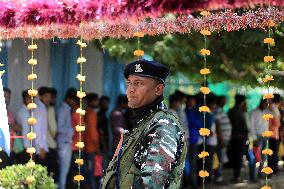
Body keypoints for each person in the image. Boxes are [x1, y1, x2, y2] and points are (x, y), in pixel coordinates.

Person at [102, 59, 187, 188]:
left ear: (158, 89)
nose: (130, 89)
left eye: (138, 83)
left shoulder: (163, 125)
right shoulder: (144, 122)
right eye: (129, 83)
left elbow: (151, 184)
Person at [228, 94, 255, 183]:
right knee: (241, 156)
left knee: (235, 156)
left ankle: (236, 175)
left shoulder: (230, 111)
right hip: (241, 137)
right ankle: (239, 176)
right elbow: (246, 127)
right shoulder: (240, 112)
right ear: (242, 102)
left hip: (232, 137)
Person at [57, 88, 77, 189]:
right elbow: (59, 128)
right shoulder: (63, 110)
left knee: (64, 170)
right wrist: (72, 130)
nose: (74, 103)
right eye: (74, 100)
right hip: (63, 143)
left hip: (66, 142)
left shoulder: (67, 109)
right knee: (63, 171)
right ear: (69, 99)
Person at [84, 93, 101, 189]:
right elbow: (93, 132)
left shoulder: (84, 112)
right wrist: (97, 147)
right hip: (91, 147)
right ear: (92, 102)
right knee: (93, 172)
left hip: (84, 146)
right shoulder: (92, 113)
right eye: (96, 101)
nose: (97, 103)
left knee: (88, 171)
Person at [215, 95, 232, 183]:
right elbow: (218, 126)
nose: (224, 102)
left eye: (225, 100)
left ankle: (219, 176)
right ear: (218, 101)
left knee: (221, 158)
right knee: (220, 158)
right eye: (222, 100)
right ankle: (218, 177)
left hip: (224, 138)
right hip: (221, 139)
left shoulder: (221, 110)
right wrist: (221, 139)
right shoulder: (217, 110)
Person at [249, 99, 268, 177]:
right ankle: (253, 175)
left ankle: (260, 173)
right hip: (256, 137)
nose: (267, 105)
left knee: (263, 156)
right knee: (254, 156)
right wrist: (254, 138)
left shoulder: (266, 112)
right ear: (261, 103)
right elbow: (251, 126)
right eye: (265, 104)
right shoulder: (253, 112)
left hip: (265, 136)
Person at [46, 87, 58, 181]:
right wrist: (54, 137)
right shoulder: (50, 109)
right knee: (52, 172)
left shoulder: (41, 108)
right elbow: (53, 129)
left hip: (44, 145)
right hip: (50, 144)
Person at [15, 90, 31, 164]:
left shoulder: (24, 111)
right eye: (29, 98)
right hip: (24, 147)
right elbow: (25, 132)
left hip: (22, 146)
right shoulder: (24, 113)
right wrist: (28, 148)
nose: (31, 101)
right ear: (24, 99)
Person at [268, 94, 281, 175]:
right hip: (273, 134)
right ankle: (272, 170)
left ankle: (273, 169)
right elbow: (277, 123)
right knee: (273, 154)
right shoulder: (274, 108)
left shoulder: (269, 107)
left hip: (270, 133)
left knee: (271, 154)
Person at [97, 96, 111, 166]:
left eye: (107, 103)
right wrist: (104, 145)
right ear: (100, 104)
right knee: (102, 166)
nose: (107, 105)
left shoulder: (104, 115)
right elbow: (100, 131)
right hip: (102, 145)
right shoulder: (100, 115)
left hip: (105, 144)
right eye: (105, 103)